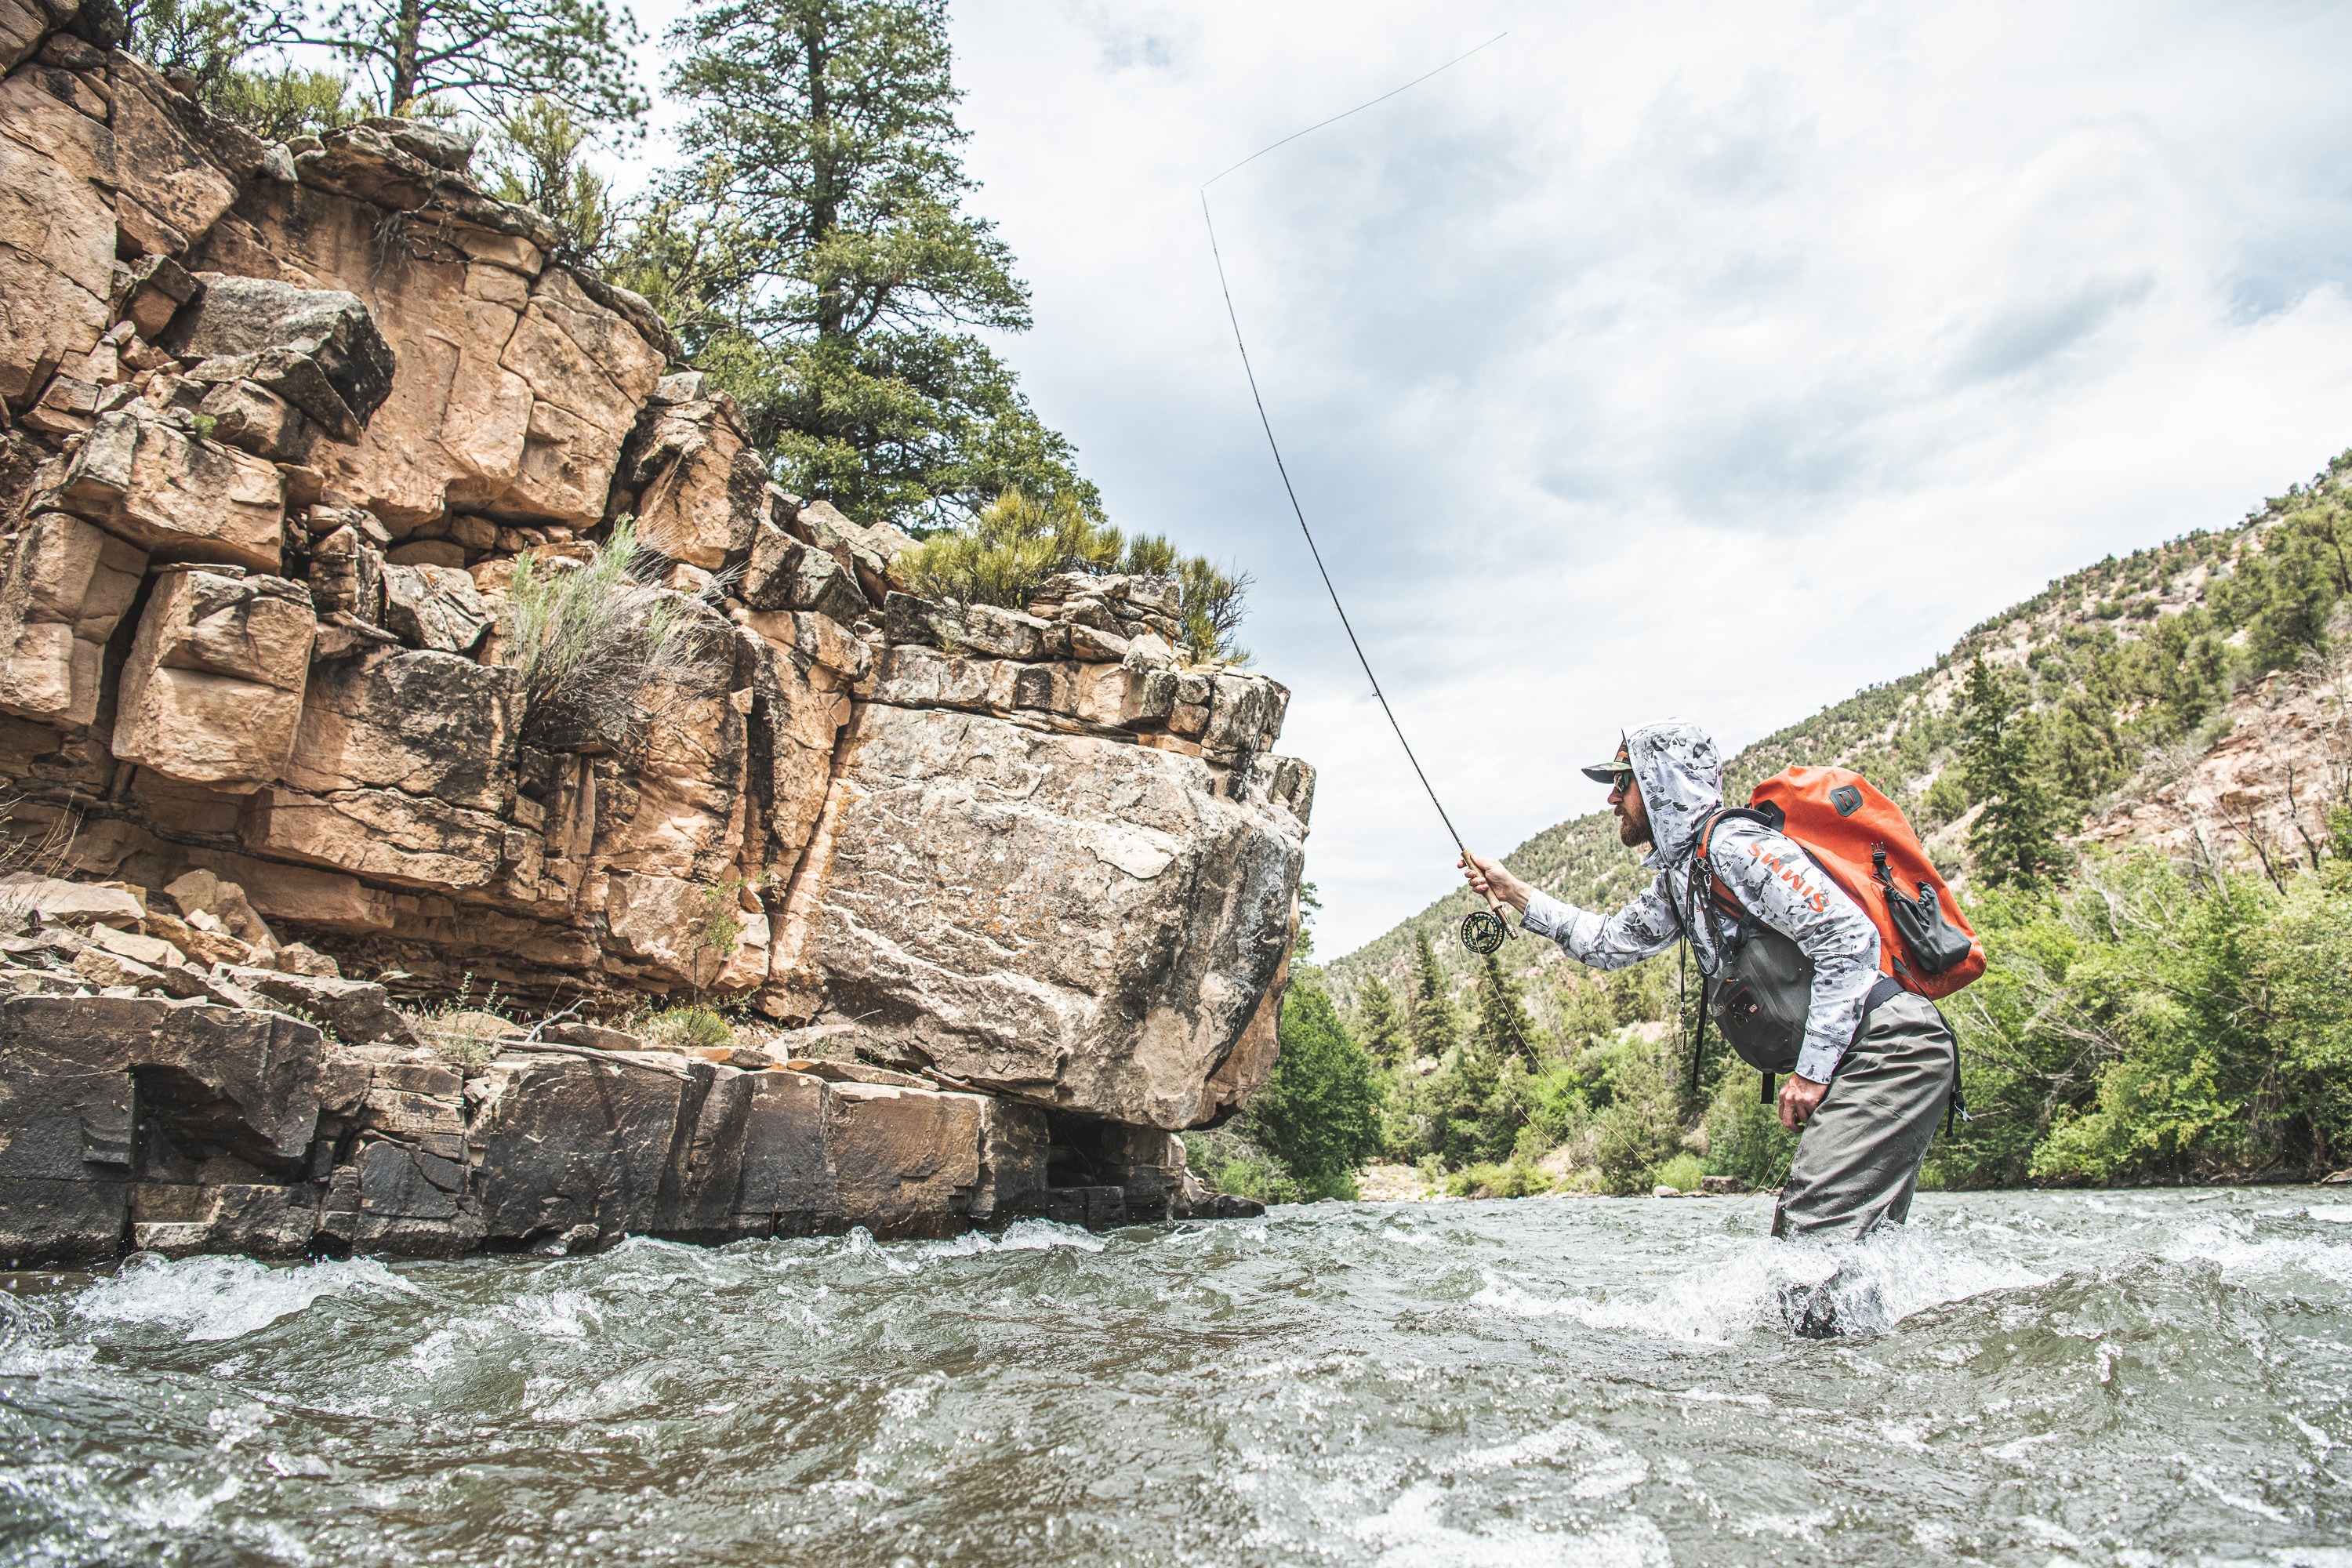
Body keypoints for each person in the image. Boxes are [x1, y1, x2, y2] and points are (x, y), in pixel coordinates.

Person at [1457, 719, 1960, 1258]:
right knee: (1851, 1253)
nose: (1612, 798)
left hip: (1892, 1051)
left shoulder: (1735, 848)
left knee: (1809, 1243)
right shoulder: (1684, 876)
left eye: (1623, 782)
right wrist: (1514, 891)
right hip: (1871, 1056)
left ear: (1662, 781)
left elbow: (1847, 937)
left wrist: (1811, 1075)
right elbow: (1608, 944)